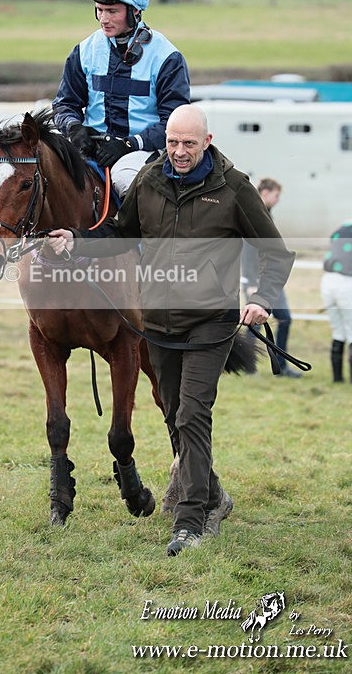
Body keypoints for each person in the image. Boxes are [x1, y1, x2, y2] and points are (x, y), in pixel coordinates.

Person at [47, 104, 295, 557]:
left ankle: (191, 521)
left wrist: (261, 298)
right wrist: (76, 241)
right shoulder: (151, 179)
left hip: (210, 322)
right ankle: (215, 495)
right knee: (173, 414)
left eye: (188, 144)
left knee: (191, 415)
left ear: (208, 141)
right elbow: (122, 234)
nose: (179, 152)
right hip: (157, 324)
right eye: (173, 143)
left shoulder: (233, 189)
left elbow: (275, 253)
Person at [52, 0, 190, 196]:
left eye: (112, 11)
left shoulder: (167, 58)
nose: (103, 18)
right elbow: (65, 104)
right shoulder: (84, 51)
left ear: (135, 11)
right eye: (99, 10)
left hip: (142, 152)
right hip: (90, 148)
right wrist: (73, 127)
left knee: (125, 179)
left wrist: (129, 144)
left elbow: (175, 123)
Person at [241, 177, 301, 377]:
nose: (278, 200)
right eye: (276, 195)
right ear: (265, 193)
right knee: (255, 323)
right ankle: (251, 366)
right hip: (258, 279)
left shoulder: (265, 214)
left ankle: (280, 365)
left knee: (282, 319)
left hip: (269, 277)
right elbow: (248, 250)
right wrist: (249, 282)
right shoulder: (254, 213)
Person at [320, 202, 352, 386]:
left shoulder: (343, 229)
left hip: (327, 281)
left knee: (338, 329)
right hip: (348, 284)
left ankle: (337, 378)